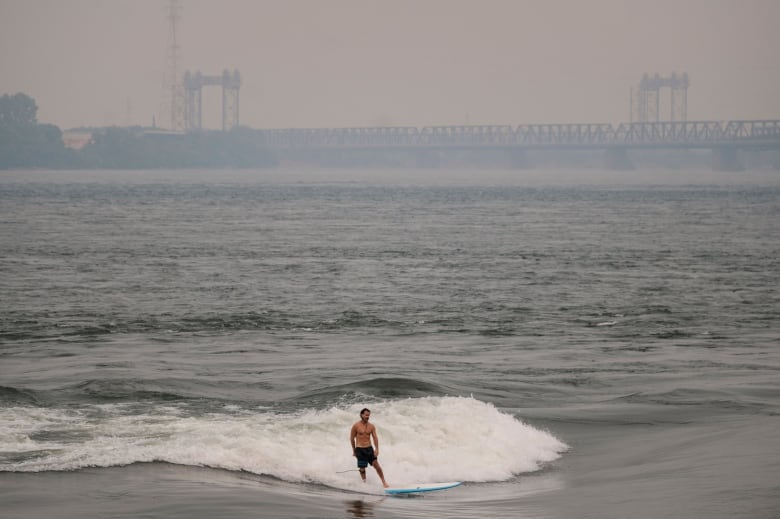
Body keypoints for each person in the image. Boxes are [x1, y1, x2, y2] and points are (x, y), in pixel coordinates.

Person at [349, 408, 389, 487]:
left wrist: (377, 449)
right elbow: (352, 438)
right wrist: (354, 450)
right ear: (362, 415)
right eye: (366, 415)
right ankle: (364, 483)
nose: (368, 416)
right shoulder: (356, 425)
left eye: (368, 415)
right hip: (360, 449)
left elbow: (375, 438)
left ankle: (384, 482)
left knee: (377, 466)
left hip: (369, 449)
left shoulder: (371, 426)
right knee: (362, 468)